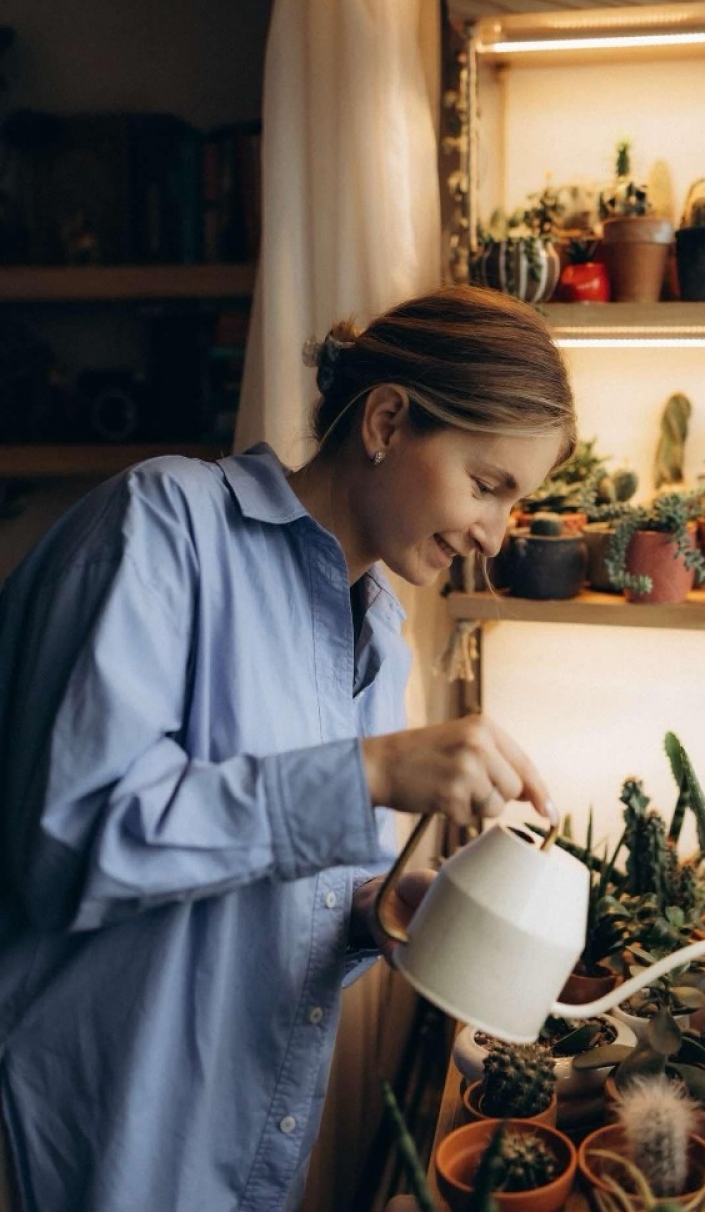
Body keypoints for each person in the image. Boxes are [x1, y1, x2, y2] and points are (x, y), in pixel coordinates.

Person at [0, 283, 576, 1212]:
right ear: (387, 420)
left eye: (516, 503)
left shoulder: (376, 634)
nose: (492, 536)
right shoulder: (162, 526)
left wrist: (378, 913)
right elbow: (71, 841)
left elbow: (251, 885)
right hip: (94, 1149)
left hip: (236, 1152)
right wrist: (374, 773)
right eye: (487, 484)